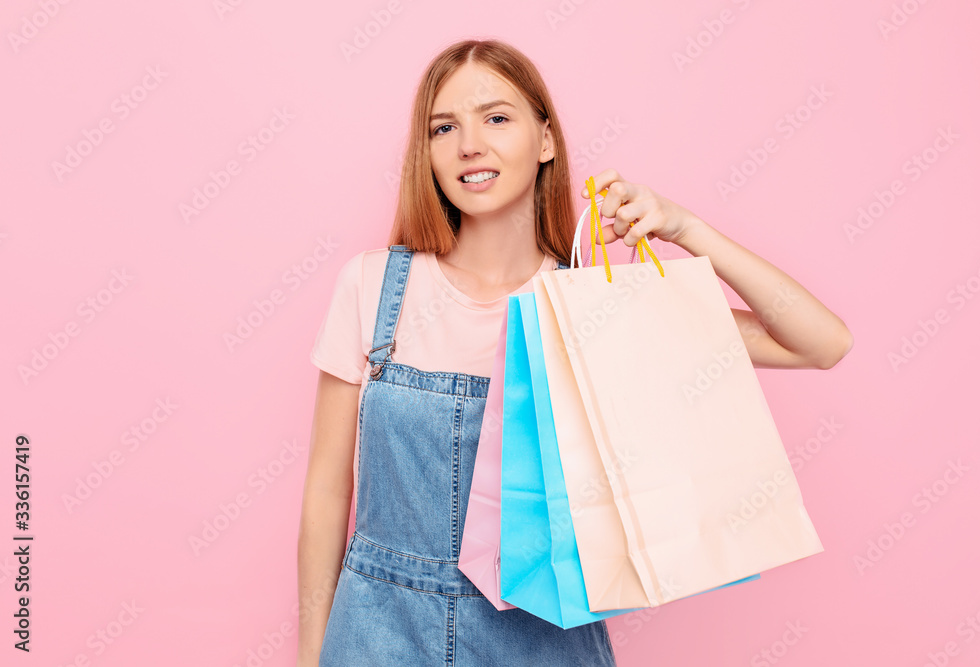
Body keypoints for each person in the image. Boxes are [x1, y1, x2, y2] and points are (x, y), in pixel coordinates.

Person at [295, 38, 853, 667]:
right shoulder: (374, 287)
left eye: (497, 117)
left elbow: (820, 342)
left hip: (541, 637)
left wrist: (685, 228)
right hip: (377, 634)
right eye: (443, 126)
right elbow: (325, 490)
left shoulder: (596, 311)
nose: (469, 144)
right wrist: (312, 651)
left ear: (547, 140)